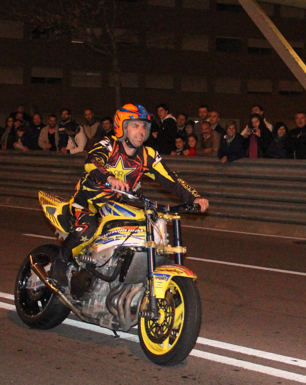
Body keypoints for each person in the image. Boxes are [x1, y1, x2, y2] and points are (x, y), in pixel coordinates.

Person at [50, 104, 209, 286]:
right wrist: (109, 177)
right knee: (88, 226)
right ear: (122, 127)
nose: (141, 131)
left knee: (145, 226)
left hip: (120, 205)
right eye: (135, 125)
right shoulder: (108, 145)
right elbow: (92, 162)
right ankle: (59, 264)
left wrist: (194, 197)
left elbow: (170, 178)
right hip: (88, 201)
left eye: (144, 126)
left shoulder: (148, 155)